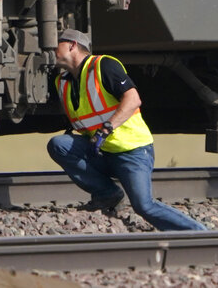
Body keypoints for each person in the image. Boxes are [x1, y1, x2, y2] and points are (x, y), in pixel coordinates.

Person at [46, 28, 206, 231]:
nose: (49, 49)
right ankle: (107, 194)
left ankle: (199, 234)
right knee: (59, 144)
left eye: (55, 44)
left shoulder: (103, 65)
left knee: (144, 206)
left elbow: (133, 99)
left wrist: (106, 129)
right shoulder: (62, 81)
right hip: (101, 151)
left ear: (72, 45)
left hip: (132, 151)